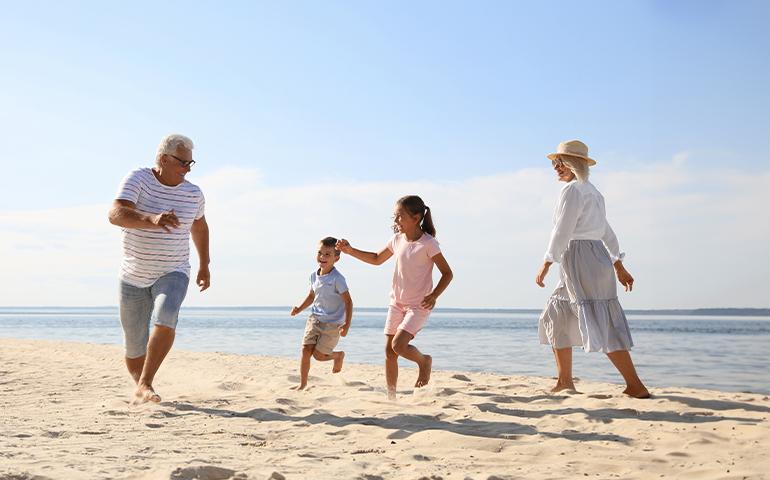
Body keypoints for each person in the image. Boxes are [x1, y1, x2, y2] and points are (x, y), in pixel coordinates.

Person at [535, 140, 649, 398]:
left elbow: (562, 229)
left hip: (579, 255)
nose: (556, 168)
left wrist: (546, 262)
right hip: (593, 255)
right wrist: (617, 262)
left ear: (574, 164)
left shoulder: (573, 191)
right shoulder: (593, 191)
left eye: (560, 163)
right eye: (554, 163)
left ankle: (635, 385)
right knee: (556, 315)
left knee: (600, 321)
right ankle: (565, 381)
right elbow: (606, 231)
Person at [108, 133, 210, 404]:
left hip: (173, 269)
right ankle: (142, 385)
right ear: (163, 158)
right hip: (133, 274)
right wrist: (151, 219)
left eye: (191, 164)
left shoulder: (193, 194)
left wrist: (205, 265)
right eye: (182, 163)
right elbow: (115, 214)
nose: (187, 169)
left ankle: (146, 383)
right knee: (134, 343)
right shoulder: (138, 179)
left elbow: (199, 226)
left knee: (167, 315)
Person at [337, 195, 453, 399]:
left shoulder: (428, 243)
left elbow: (447, 273)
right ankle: (392, 397)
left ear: (416, 218)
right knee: (390, 352)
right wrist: (349, 250)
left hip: (419, 305)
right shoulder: (396, 239)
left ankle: (424, 361)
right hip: (396, 303)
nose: (396, 221)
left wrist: (434, 295)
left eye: (400, 217)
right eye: (395, 216)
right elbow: (376, 259)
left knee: (398, 346)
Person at [290, 237, 353, 390]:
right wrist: (299, 308)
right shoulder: (314, 275)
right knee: (306, 350)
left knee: (318, 356)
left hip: (333, 323)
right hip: (314, 319)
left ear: (336, 258)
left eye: (327, 254)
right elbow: (312, 296)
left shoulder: (338, 279)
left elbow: (348, 302)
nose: (322, 257)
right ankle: (303, 384)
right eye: (320, 253)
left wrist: (347, 325)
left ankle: (337, 356)